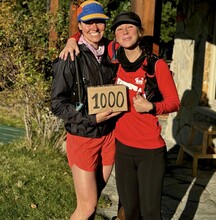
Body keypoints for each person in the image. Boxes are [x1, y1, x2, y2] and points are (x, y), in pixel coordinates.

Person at [60, 11, 180, 220]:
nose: (125, 32)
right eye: (119, 29)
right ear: (115, 36)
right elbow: (90, 33)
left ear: (139, 32)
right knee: (130, 211)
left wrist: (152, 107)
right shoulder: (113, 58)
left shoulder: (155, 65)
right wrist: (71, 41)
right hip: (122, 146)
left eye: (130, 27)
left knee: (151, 213)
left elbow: (174, 103)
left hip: (150, 150)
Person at [51, 1, 121, 220]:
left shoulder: (112, 51)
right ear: (79, 25)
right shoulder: (70, 57)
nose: (95, 27)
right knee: (88, 206)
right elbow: (57, 104)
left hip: (109, 136)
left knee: (94, 197)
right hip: (83, 137)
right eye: (88, 22)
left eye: (99, 21)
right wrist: (92, 117)